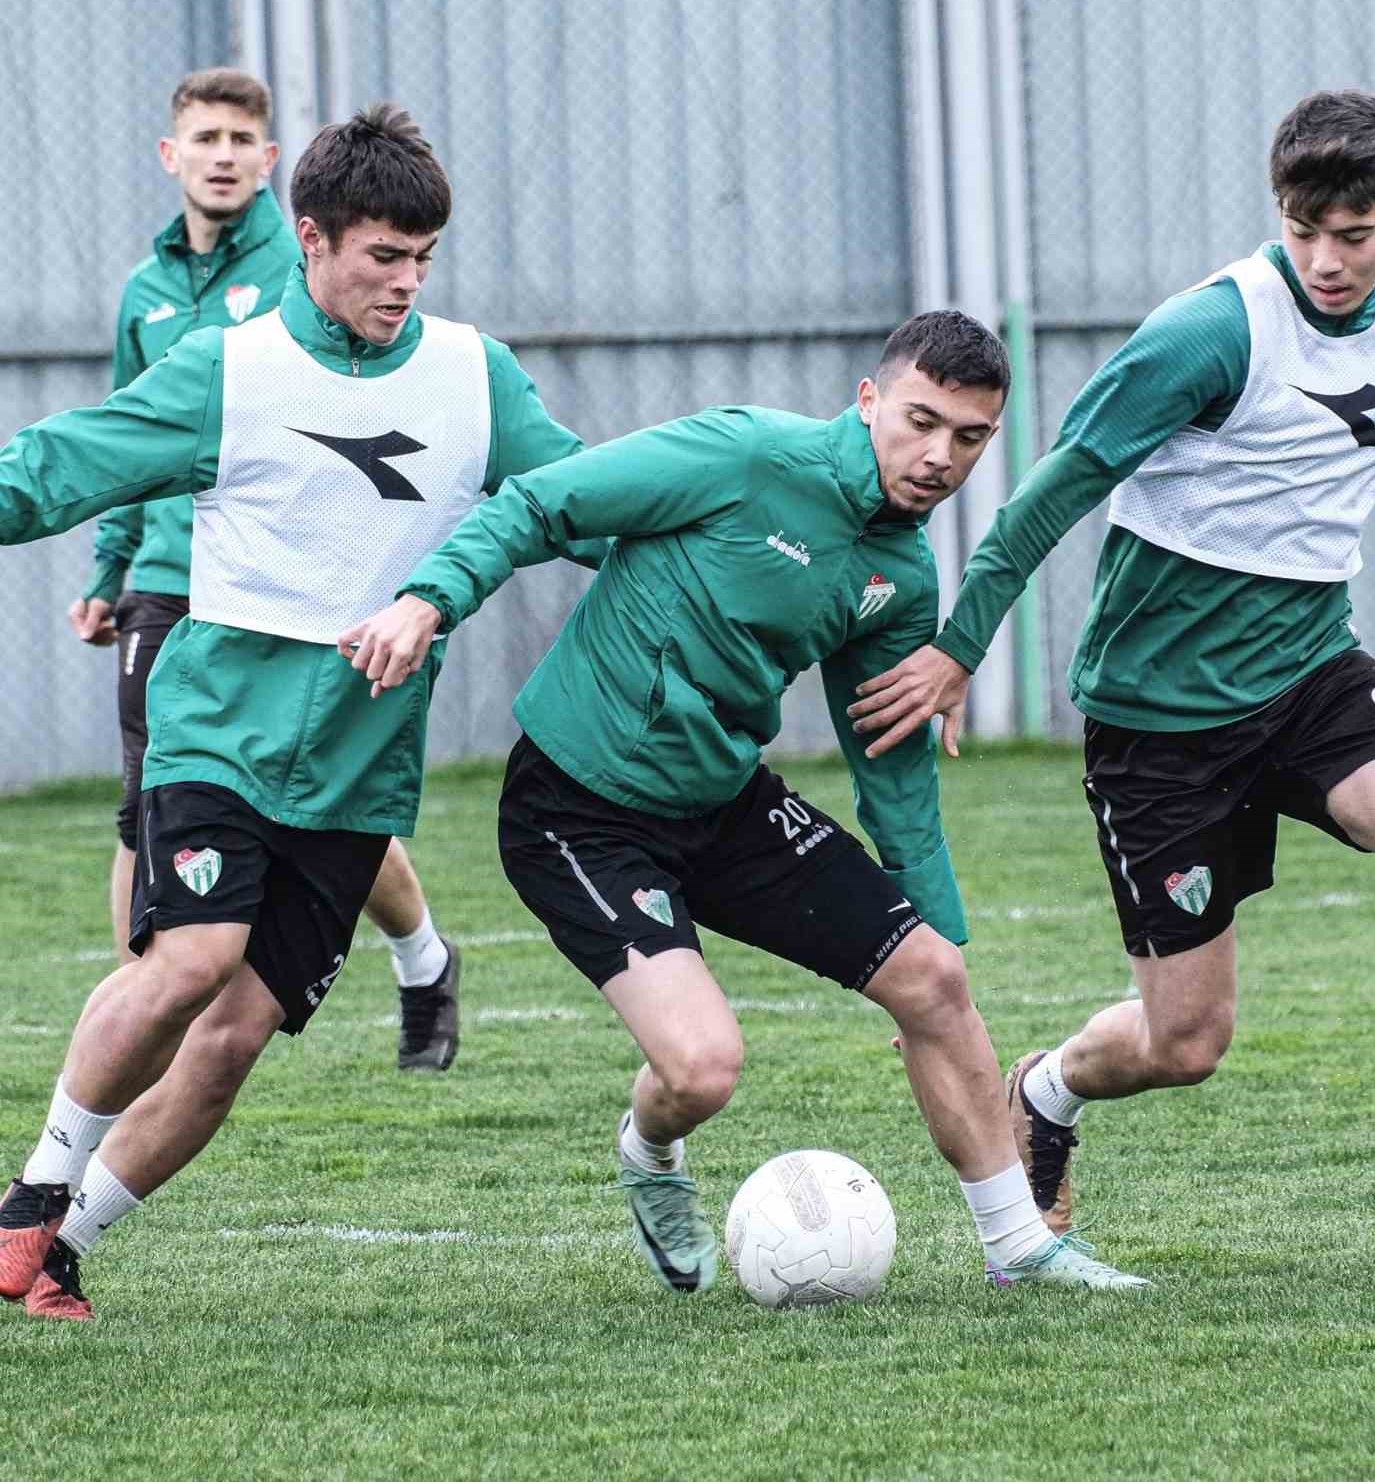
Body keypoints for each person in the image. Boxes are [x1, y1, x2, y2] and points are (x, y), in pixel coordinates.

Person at [848, 90, 1375, 1278]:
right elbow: (1059, 483)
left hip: (1312, 673)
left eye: (1352, 234)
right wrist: (960, 642)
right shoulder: (1209, 332)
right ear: (1277, 213)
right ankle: (1045, 1090)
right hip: (1161, 719)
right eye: (1303, 231)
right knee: (1185, 1041)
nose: (1326, 261)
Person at [341, 310, 1149, 1296]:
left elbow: (893, 771)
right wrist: (429, 600)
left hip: (724, 803)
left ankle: (1018, 1246)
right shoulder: (745, 453)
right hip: (577, 810)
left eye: (970, 437)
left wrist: (935, 933)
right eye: (921, 421)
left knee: (934, 977)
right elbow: (541, 503)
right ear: (868, 400)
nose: (940, 456)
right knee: (702, 1070)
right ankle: (649, 1152)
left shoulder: (901, 577)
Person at [0, 103, 598, 1321]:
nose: (406, 281)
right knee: (192, 959)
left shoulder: (474, 374)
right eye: (383, 256)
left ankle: (63, 1249)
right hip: (220, 724)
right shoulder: (230, 370)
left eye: (423, 257)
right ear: (311, 240)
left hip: (358, 766)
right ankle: (32, 1194)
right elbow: (62, 463)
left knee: (231, 1041)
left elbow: (587, 498)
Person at [66, 66, 462, 1076]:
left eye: (242, 140)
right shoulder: (146, 290)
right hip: (171, 575)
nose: (224, 156)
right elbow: (123, 437)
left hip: (288, 580)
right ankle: (144, 1017)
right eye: (206, 138)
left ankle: (422, 954)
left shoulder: (306, 270)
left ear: (270, 163)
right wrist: (110, 567)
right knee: (147, 805)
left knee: (318, 799)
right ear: (172, 154)